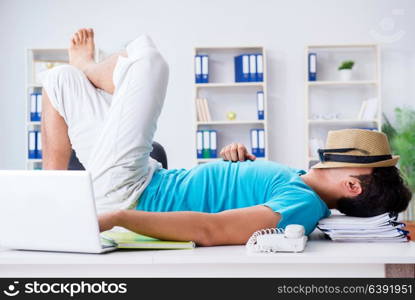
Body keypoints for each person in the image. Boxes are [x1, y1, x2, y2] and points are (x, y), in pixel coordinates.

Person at [41, 29, 412, 246]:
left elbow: (211, 229)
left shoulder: (304, 205)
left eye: (345, 156)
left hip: (134, 190)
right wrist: (231, 164)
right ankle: (53, 192)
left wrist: (121, 217)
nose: (329, 152)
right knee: (59, 82)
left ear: (352, 185)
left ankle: (89, 66)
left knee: (149, 60)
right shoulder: (296, 180)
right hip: (144, 176)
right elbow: (228, 193)